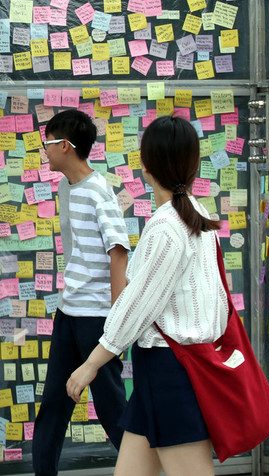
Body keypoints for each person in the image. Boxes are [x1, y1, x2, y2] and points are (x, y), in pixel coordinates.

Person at [66, 115, 228, 476]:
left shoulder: (166, 226)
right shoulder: (197, 215)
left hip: (170, 371)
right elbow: (215, 300)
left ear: (146, 163)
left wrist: (91, 364)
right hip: (176, 366)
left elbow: (136, 306)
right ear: (194, 164)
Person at [33, 109, 130, 476]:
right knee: (54, 406)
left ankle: (146, 469)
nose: (44, 149)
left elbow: (118, 250)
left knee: (111, 408)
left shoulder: (98, 190)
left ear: (66, 146)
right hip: (69, 311)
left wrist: (118, 316)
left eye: (48, 143)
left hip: (97, 317)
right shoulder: (65, 187)